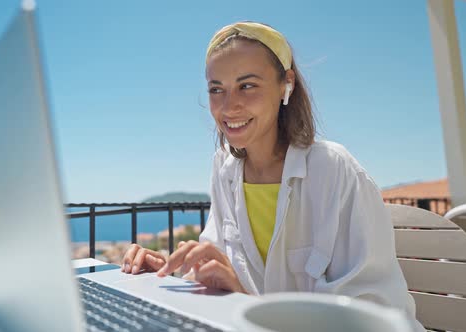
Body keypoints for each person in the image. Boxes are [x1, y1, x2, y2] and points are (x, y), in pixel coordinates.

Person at [121, 22, 423, 330]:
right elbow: (215, 278)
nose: (229, 106)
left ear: (285, 85)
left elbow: (370, 315)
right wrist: (162, 278)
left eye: (247, 85)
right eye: (216, 90)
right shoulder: (224, 169)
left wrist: (243, 299)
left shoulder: (334, 170)